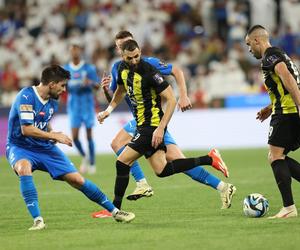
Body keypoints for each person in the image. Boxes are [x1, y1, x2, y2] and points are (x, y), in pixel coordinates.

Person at [96, 31, 235, 212]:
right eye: (120, 45)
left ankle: (132, 193)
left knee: (119, 148)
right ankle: (220, 183)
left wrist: (183, 96)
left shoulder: (149, 65)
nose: (133, 58)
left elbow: (176, 74)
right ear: (120, 50)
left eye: (130, 46)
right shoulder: (118, 68)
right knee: (166, 167)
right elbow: (119, 93)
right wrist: (107, 103)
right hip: (140, 121)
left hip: (152, 122)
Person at [5, 65, 135, 230]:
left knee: (77, 179)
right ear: (52, 84)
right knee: (24, 168)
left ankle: (115, 211)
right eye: (62, 85)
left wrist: (52, 131)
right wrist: (54, 136)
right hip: (20, 146)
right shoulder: (26, 96)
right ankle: (38, 220)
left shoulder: (52, 102)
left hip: (44, 148)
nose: (64, 90)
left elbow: (43, 122)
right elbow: (27, 129)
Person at [245, 25, 300, 218]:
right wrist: (270, 107)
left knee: (275, 156)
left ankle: (289, 208)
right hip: (286, 110)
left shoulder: (270, 56)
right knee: (278, 156)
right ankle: (289, 207)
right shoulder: (279, 53)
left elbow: (287, 78)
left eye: (249, 44)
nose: (249, 49)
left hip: (287, 113)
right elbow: (285, 84)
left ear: (257, 40)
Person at [63, 41, 99, 174]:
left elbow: (97, 85)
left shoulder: (89, 68)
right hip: (73, 106)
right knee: (75, 136)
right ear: (69, 52)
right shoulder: (66, 69)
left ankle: (93, 163)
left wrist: (89, 82)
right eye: (72, 50)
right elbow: (62, 87)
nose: (74, 52)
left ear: (80, 51)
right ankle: (85, 156)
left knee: (89, 135)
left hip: (87, 105)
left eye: (76, 50)